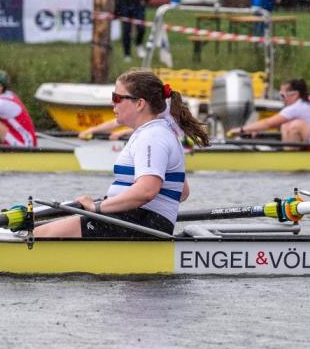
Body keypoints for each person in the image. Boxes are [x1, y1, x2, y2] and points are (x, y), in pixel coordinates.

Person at [36, 70, 209, 240]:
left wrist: (98, 207)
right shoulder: (154, 132)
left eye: (117, 98)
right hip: (137, 220)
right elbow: (182, 192)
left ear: (140, 104)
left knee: (39, 235)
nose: (112, 103)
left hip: (140, 222)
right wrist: (113, 203)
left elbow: (147, 190)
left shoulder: (152, 137)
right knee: (40, 229)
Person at [228, 77, 310, 148]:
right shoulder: (307, 100)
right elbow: (275, 123)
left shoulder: (298, 106)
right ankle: (289, 153)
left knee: (295, 126)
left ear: (295, 94)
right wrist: (256, 129)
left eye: (282, 95)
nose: (281, 99)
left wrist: (241, 129)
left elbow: (268, 123)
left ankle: (290, 158)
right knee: (285, 125)